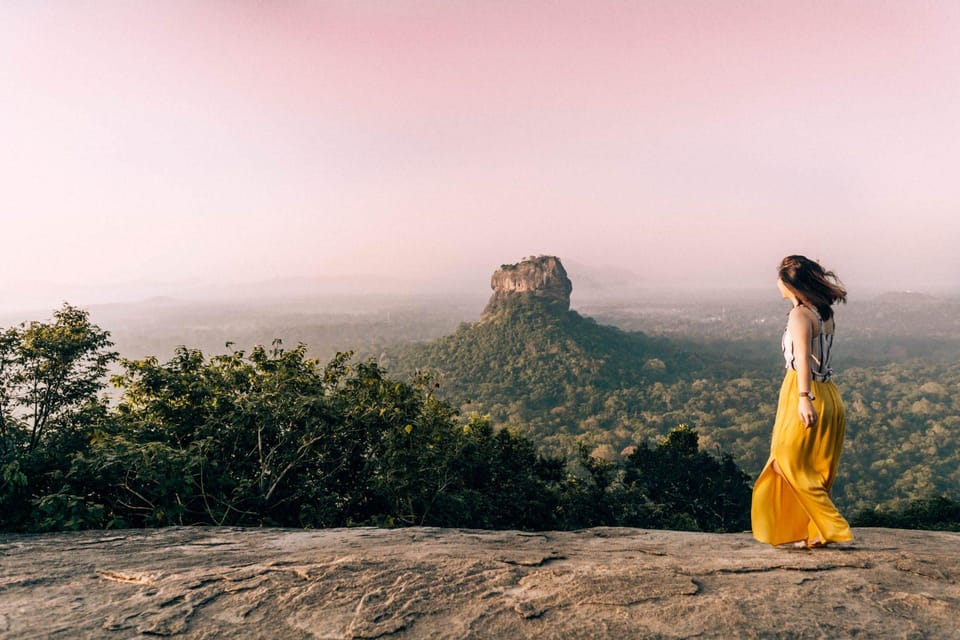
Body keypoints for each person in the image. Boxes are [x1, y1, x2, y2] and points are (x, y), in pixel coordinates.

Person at [751, 255, 853, 548]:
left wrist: (803, 398)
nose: (776, 283)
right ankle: (815, 532)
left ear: (792, 285)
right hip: (828, 392)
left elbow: (803, 361)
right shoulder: (822, 312)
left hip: (804, 390)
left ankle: (833, 527)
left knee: (788, 461)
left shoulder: (800, 317)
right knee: (811, 467)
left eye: (780, 278)